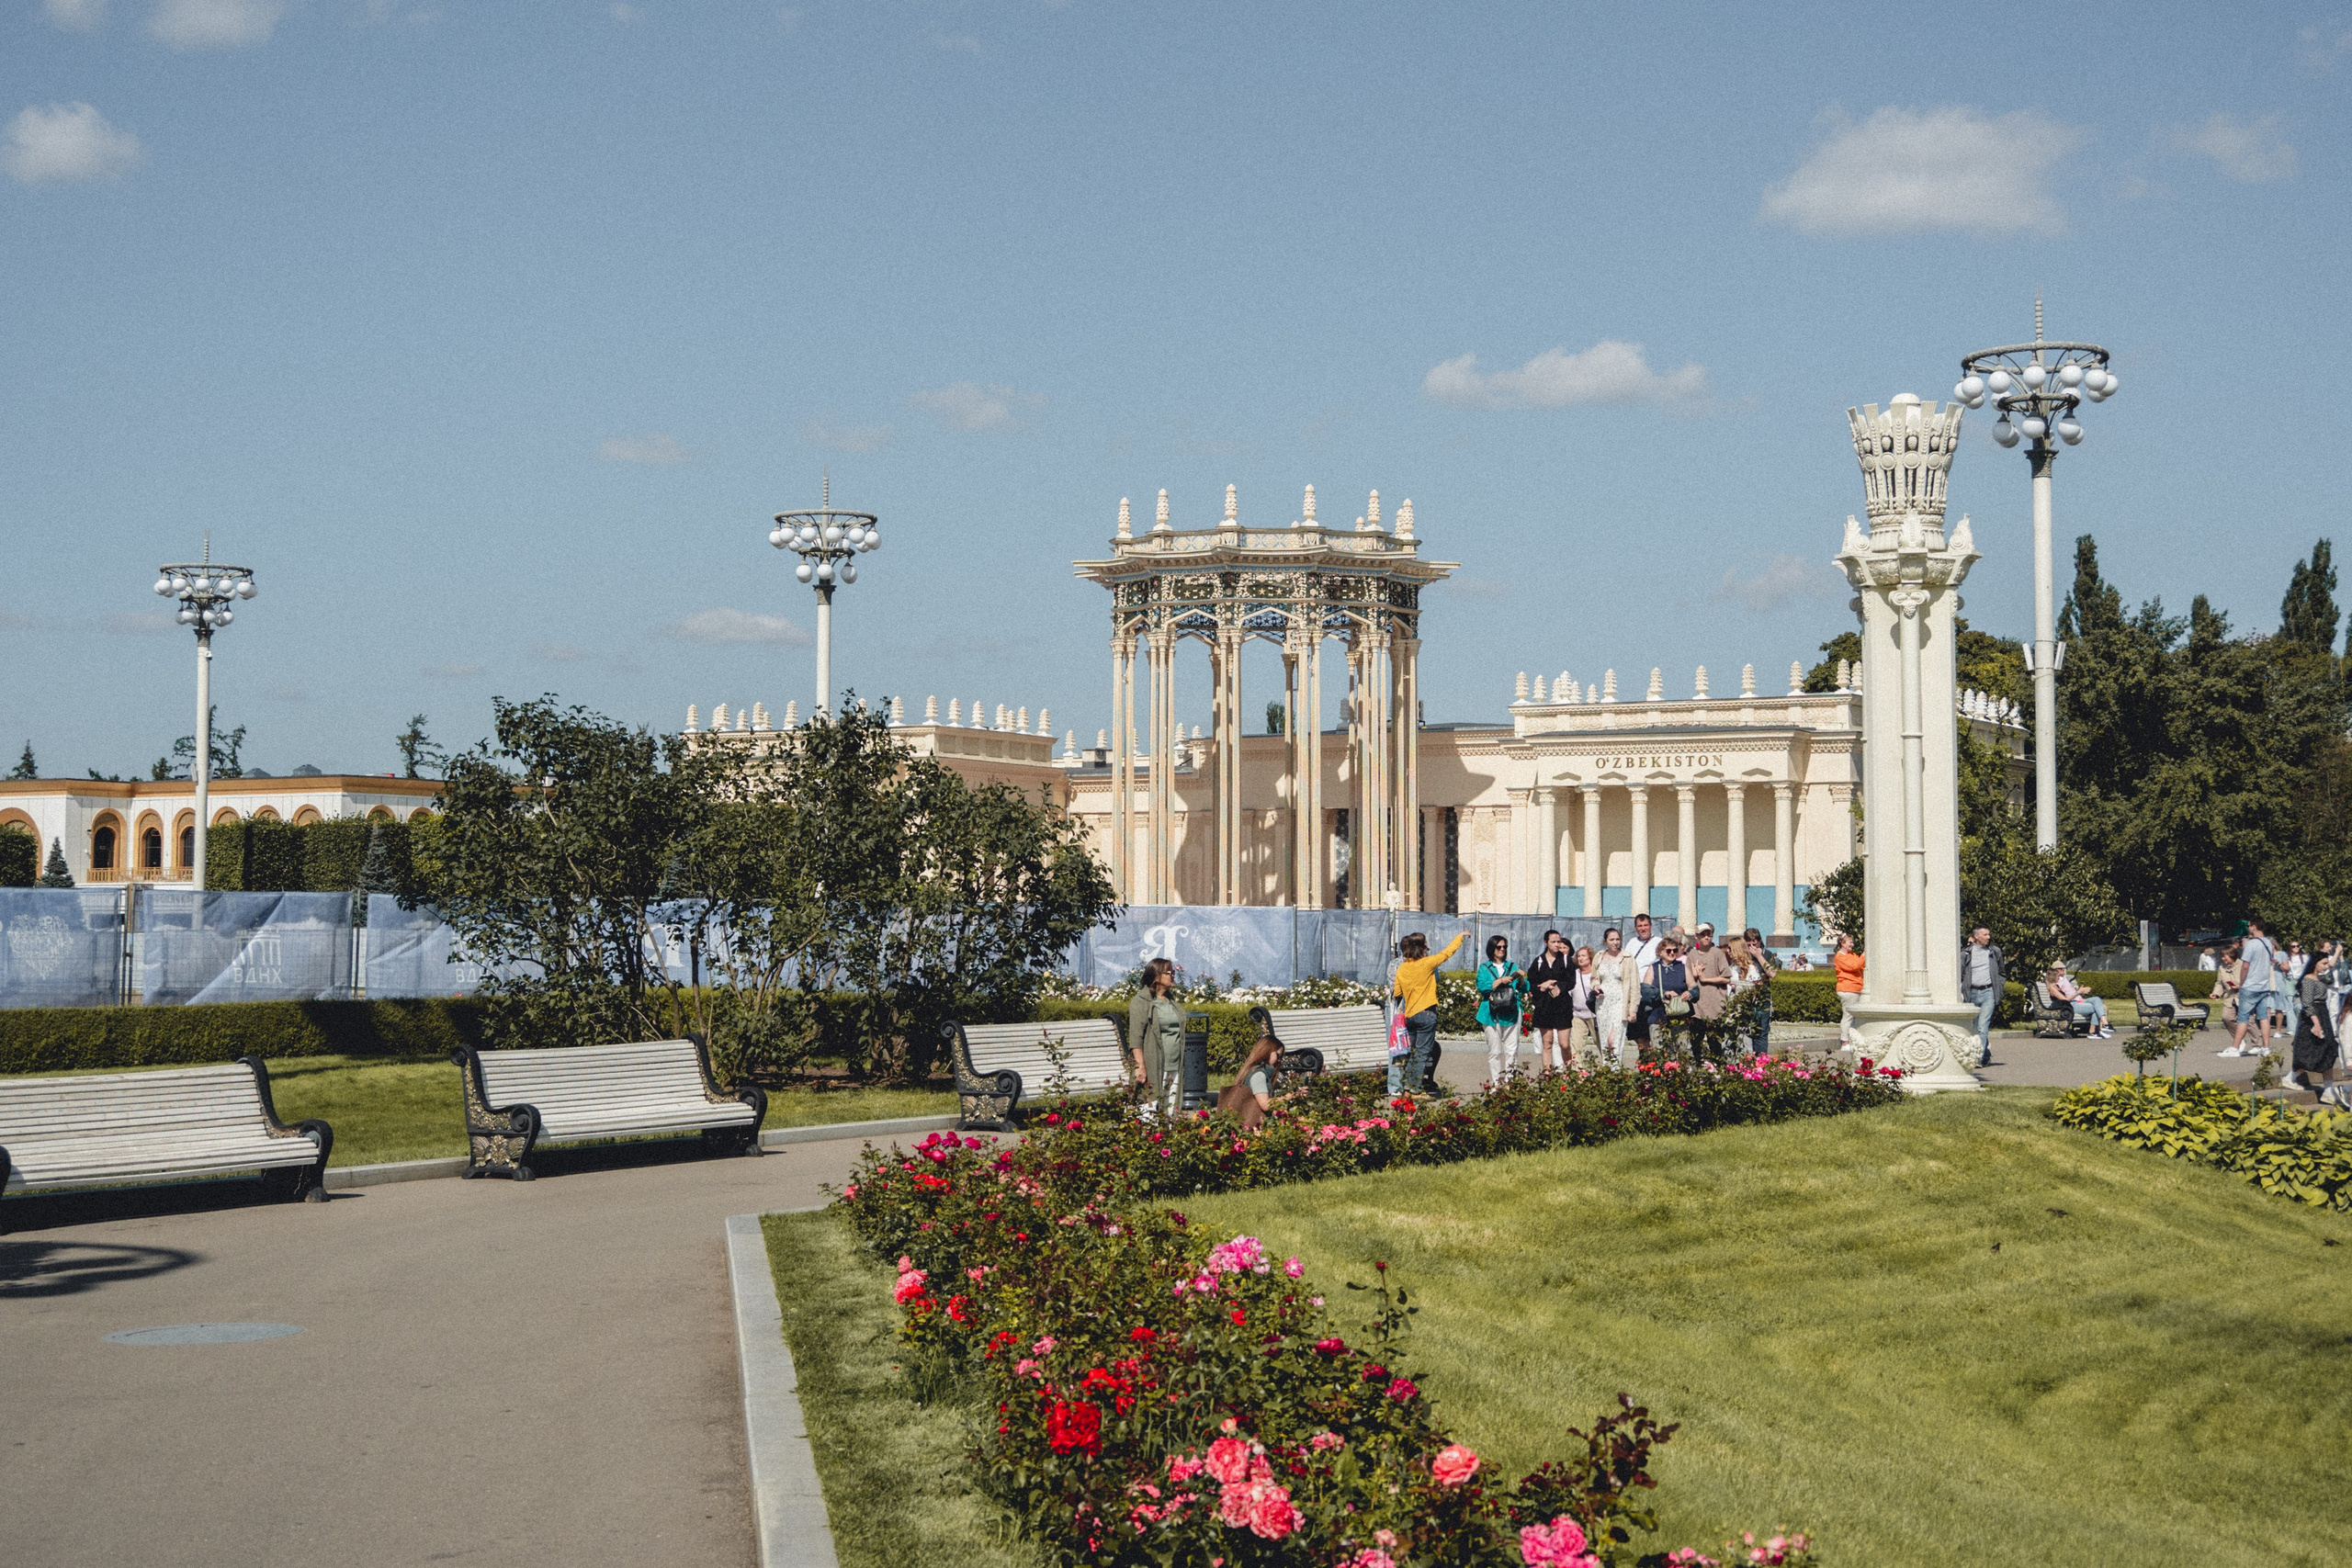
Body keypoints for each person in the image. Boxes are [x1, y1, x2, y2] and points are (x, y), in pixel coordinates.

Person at [1390, 930, 1465, 1095]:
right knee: (1422, 1053)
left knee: (1412, 1053)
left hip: (1409, 1016)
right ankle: (1415, 1090)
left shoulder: (1402, 968)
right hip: (1426, 1013)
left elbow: (1397, 992)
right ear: (1422, 948)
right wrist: (1459, 937)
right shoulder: (1427, 963)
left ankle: (1407, 1089)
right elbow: (1447, 953)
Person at [1125, 957, 1183, 1120]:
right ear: (1156, 976)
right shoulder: (1141, 1002)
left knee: (1171, 1111)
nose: (1173, 975)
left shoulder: (1170, 1000)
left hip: (1175, 1065)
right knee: (1151, 1111)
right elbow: (1135, 1038)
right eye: (1169, 972)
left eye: (1173, 972)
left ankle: (1170, 1135)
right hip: (1154, 1065)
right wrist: (1140, 1067)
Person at [1475, 934, 1529, 1086]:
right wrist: (1500, 981)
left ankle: (1510, 1083)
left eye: (1505, 947)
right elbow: (1483, 987)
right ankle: (1497, 1084)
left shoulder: (1512, 967)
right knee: (1495, 1051)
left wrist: (1522, 979)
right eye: (1499, 947)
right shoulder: (1484, 968)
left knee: (1512, 1050)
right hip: (1491, 1013)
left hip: (1512, 1011)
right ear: (1492, 949)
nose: (1502, 950)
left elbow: (1525, 988)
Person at [1219, 1016, 1287, 1133]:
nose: (1279, 1060)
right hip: (1250, 1128)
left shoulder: (1253, 1070)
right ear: (1267, 1051)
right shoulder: (1258, 1075)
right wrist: (1288, 1097)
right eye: (1278, 1055)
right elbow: (1265, 1104)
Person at [1526, 930, 1578, 1073]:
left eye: (1558, 941)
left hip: (1562, 1006)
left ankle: (1569, 1073)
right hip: (1544, 1006)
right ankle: (1547, 1074)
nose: (1557, 945)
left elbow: (1571, 981)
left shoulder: (1566, 960)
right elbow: (1531, 983)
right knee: (1547, 1043)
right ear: (1546, 943)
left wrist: (1559, 987)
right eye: (1553, 942)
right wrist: (1543, 986)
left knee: (1564, 1044)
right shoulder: (1538, 961)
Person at [2227, 921, 2282, 1059]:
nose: (2248, 928)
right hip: (2264, 985)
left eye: (2249, 926)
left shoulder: (2251, 944)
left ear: (2254, 926)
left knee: (2243, 1017)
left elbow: (2245, 965)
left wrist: (2242, 982)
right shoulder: (2268, 943)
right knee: (2263, 1017)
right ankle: (2266, 1047)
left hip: (2250, 985)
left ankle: (2235, 1047)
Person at [2287, 953, 2337, 1096]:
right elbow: (2307, 1003)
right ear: (2315, 963)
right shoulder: (2308, 980)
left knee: (2329, 1048)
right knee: (2309, 1050)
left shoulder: (2319, 978)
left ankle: (2328, 1088)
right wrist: (2316, 1023)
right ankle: (2291, 1077)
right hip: (2312, 1017)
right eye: (2324, 963)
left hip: (2322, 1012)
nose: (2326, 966)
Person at [1962, 926, 2005, 1068]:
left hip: (1988, 992)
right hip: (1972, 992)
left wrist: (1998, 987)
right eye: (1985, 935)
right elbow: (1961, 973)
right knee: (1974, 1027)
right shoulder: (1966, 953)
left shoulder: (1994, 952)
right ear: (1976, 937)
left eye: (1988, 934)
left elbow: (2001, 973)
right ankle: (1985, 1054)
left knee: (1982, 1026)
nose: (1988, 937)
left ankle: (1978, 1059)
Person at [1594, 926, 1633, 1070]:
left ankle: (1616, 1073)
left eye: (1617, 939)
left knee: (1614, 1041)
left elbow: (1634, 985)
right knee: (1605, 1042)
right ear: (1605, 941)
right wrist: (1595, 986)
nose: (1615, 942)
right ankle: (1607, 1074)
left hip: (1620, 1002)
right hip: (1602, 1003)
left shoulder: (1627, 958)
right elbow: (1594, 978)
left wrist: (1632, 1008)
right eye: (1612, 939)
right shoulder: (1599, 956)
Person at [1650, 937, 1694, 1043]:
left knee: (1682, 1047)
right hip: (1658, 1014)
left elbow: (1694, 987)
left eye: (1675, 950)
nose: (1672, 953)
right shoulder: (1654, 968)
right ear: (1660, 952)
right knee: (1659, 1048)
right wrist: (1664, 994)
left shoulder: (1682, 967)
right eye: (1668, 950)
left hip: (1679, 1014)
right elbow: (1646, 990)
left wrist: (1690, 993)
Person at [2048, 966, 2113, 1038]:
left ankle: (2104, 1025)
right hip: (2070, 1006)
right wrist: (2079, 992)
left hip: (2074, 1003)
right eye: (2057, 976)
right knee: (2096, 1007)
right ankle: (2095, 1031)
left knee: (2096, 999)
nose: (2059, 977)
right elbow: (2065, 1000)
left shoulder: (2057, 986)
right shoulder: (2052, 989)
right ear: (2053, 977)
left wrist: (2078, 994)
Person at [1742, 926, 1778, 1056]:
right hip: (1746, 998)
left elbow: (1772, 973)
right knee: (1747, 1032)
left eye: (1755, 944)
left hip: (1763, 998)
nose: (1752, 947)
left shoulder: (1767, 954)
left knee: (1762, 1032)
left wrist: (1759, 956)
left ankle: (1761, 1060)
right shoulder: (1744, 955)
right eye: (1749, 945)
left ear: (1759, 941)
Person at [1569, 945, 1604, 1068]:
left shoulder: (1596, 974)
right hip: (1577, 1015)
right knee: (1576, 1046)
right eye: (1579, 956)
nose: (1580, 958)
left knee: (1602, 1044)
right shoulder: (1574, 974)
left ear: (1590, 958)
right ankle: (1577, 1072)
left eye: (1583, 956)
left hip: (1594, 1015)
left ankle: (1609, 1068)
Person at [1832, 932, 1865, 1047]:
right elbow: (1855, 966)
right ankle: (1845, 1042)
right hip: (1848, 989)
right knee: (1848, 1016)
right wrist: (1864, 955)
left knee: (1853, 1017)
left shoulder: (1852, 955)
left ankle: (1851, 1040)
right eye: (1850, 942)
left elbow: (1860, 965)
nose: (1852, 944)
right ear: (1842, 943)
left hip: (1855, 988)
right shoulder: (1840, 956)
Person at [2282, 940, 2310, 1044]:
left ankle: (2302, 1025)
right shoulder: (2287, 958)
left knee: (2301, 1003)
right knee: (2289, 1004)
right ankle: (2291, 1028)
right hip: (2290, 980)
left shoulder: (2305, 957)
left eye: (2298, 946)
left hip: (2301, 980)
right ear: (2290, 948)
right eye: (2293, 946)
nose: (2296, 948)